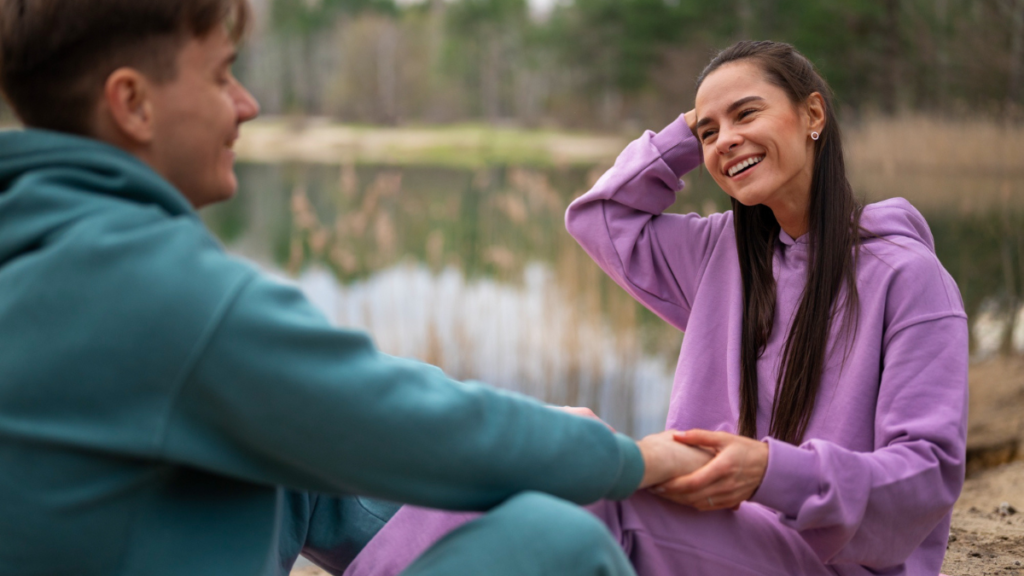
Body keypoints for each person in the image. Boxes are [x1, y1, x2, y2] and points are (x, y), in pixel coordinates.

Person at [0, 1, 712, 575]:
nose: (245, 105)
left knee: (299, 464)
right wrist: (628, 458)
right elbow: (421, 429)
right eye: (221, 77)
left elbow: (344, 406)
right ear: (133, 104)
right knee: (556, 543)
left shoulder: (43, 243)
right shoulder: (149, 286)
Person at [342, 41, 969, 576]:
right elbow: (600, 218)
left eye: (747, 113)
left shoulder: (909, 279)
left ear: (813, 114)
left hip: (828, 560)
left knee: (592, 494)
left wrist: (768, 472)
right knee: (546, 449)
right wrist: (687, 130)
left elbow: (928, 476)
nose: (727, 140)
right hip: (709, 525)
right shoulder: (721, 252)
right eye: (710, 132)